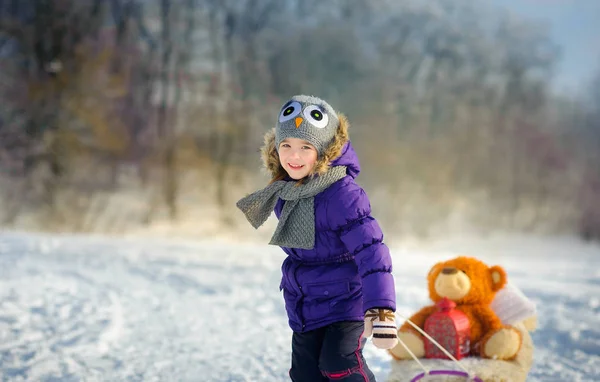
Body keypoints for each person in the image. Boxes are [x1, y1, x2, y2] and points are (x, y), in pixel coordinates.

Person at [236, 95, 398, 382]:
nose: (293, 156)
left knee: (339, 365)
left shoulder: (342, 194)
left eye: (305, 147)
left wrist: (381, 309)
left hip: (348, 302)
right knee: (305, 373)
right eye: (286, 145)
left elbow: (372, 251)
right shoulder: (284, 192)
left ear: (324, 151)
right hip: (307, 303)